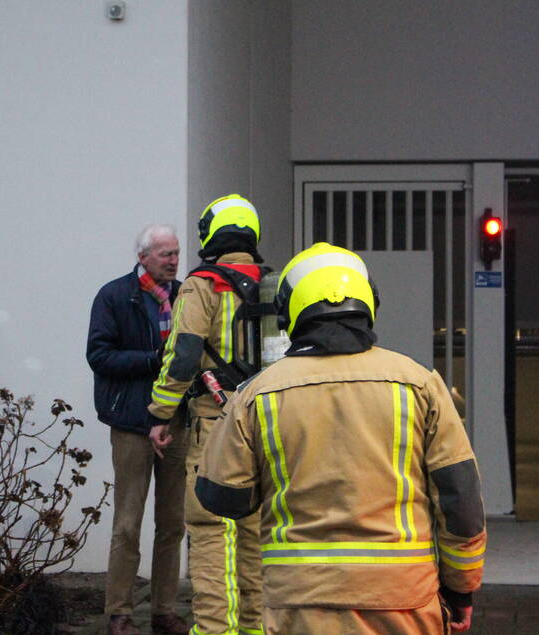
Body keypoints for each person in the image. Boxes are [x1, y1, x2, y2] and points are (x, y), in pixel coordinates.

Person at [195, 242, 487, 635]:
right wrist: (461, 591)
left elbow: (221, 497)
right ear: (369, 302)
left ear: (288, 313)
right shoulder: (420, 384)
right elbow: (461, 501)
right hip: (402, 600)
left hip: (299, 601)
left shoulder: (256, 394)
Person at [148, 195, 265, 635]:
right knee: (254, 535)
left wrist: (160, 413)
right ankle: (254, 627)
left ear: (210, 234)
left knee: (212, 531)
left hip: (216, 425)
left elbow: (182, 356)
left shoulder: (202, 283)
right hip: (266, 425)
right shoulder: (273, 285)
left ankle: (216, 629)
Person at [87, 224, 191, 635]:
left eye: (176, 252)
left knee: (173, 523)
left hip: (177, 423)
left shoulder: (185, 295)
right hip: (131, 423)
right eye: (165, 253)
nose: (173, 260)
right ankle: (120, 614)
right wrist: (154, 360)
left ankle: (164, 611)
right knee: (127, 523)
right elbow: (99, 355)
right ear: (142, 256)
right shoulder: (114, 296)